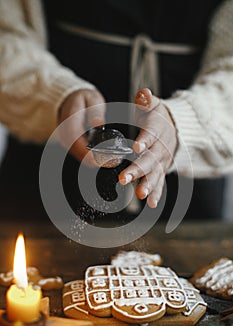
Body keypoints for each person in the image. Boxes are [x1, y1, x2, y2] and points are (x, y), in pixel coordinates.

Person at [0, 0, 232, 220]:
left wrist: (182, 122)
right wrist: (55, 96)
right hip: (44, 166)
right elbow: (5, 33)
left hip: (188, 179)